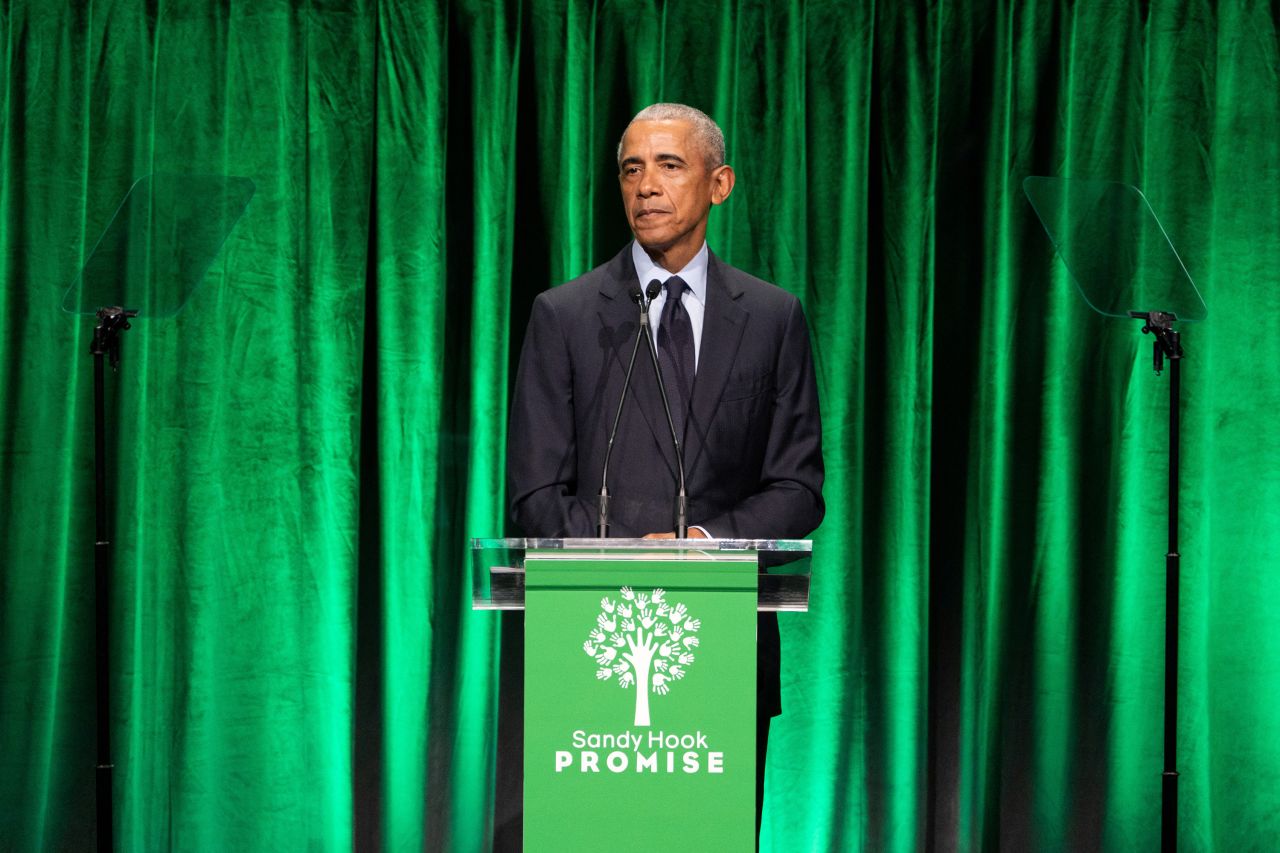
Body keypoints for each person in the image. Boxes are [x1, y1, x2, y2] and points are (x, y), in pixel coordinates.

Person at [506, 102, 825, 839]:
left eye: (669, 165)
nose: (646, 185)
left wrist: (702, 544)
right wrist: (624, 559)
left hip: (725, 646)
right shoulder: (567, 315)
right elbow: (534, 492)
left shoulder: (774, 318)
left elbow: (797, 485)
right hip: (594, 640)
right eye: (631, 168)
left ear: (720, 183)